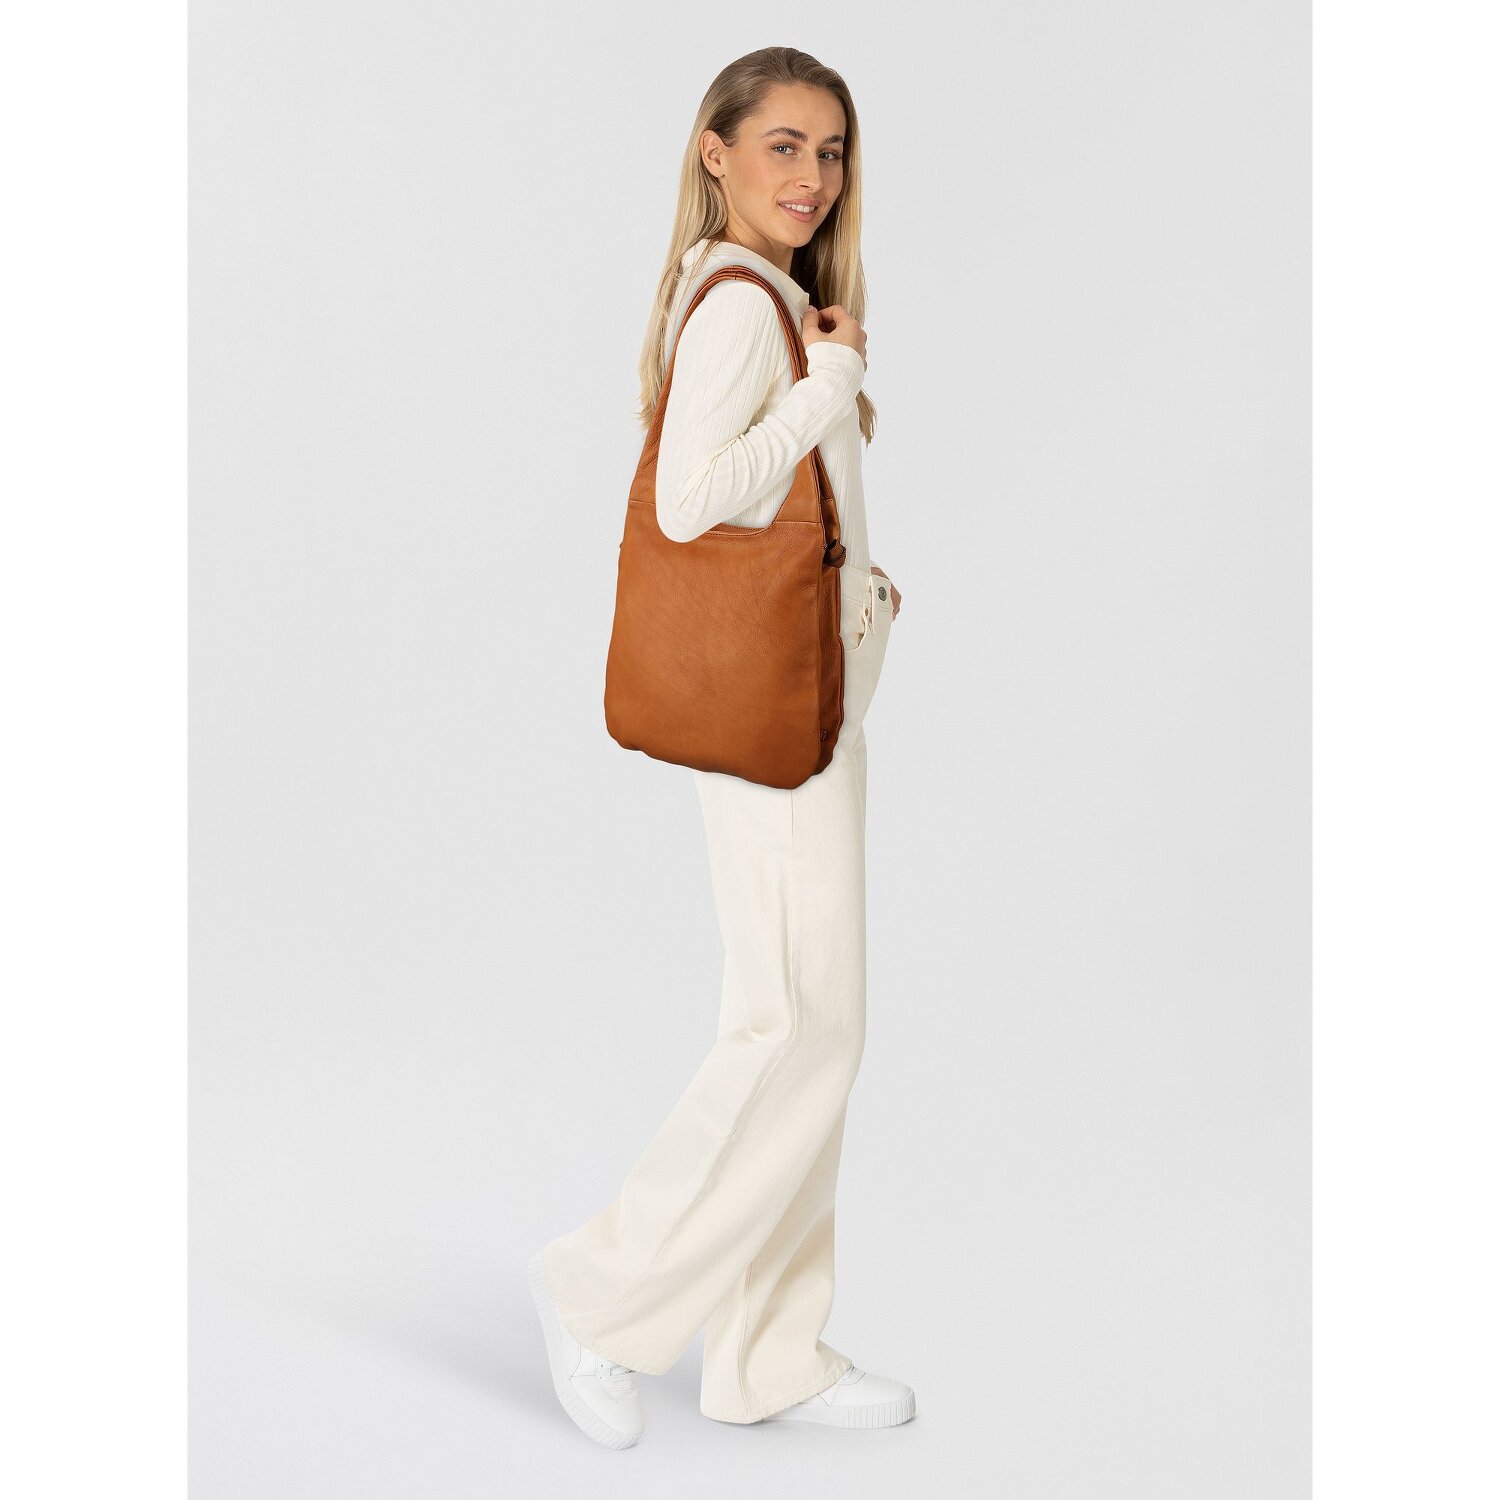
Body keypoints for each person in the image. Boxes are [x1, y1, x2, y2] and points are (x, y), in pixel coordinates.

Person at [528, 46, 912, 1449]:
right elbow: (694, 501)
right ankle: (600, 1294)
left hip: (809, 705)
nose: (811, 178)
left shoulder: (773, 298)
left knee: (811, 1027)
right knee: (793, 1027)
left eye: (831, 152)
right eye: (783, 147)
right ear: (717, 152)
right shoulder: (747, 308)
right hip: (773, 722)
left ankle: (768, 1354)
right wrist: (829, 386)